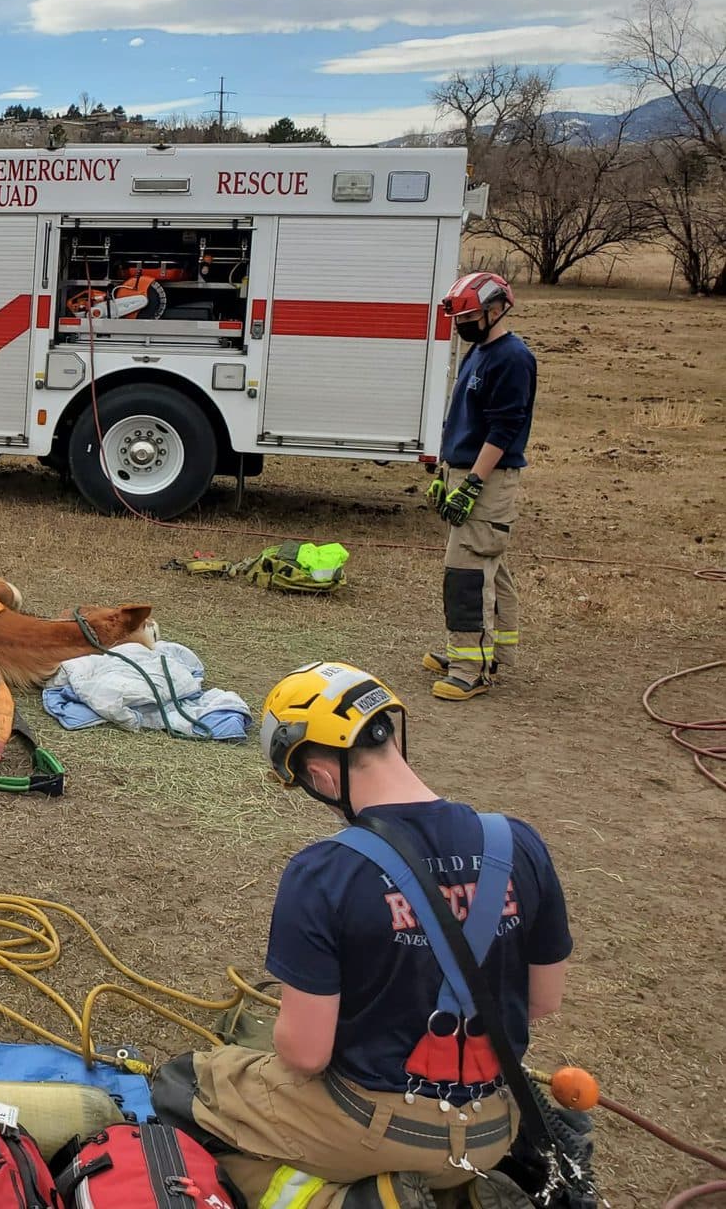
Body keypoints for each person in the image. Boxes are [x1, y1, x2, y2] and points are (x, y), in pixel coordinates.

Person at [152, 662, 571, 1209]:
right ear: (393, 732)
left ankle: (360, 1202)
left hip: (375, 1127)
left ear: (320, 775)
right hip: (496, 1123)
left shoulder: (324, 872)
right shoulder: (518, 842)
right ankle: (458, 1189)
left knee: (184, 1086)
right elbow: (542, 1001)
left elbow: (305, 1056)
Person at [423, 272, 536, 701]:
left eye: (470, 315)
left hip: (487, 477)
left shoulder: (512, 358)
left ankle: (470, 667)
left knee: (467, 571)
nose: (463, 323)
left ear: (496, 309)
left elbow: (505, 427)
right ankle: (493, 652)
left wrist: (472, 483)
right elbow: (463, 418)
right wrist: (444, 474)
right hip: (465, 470)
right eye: (459, 316)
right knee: (491, 564)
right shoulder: (478, 352)